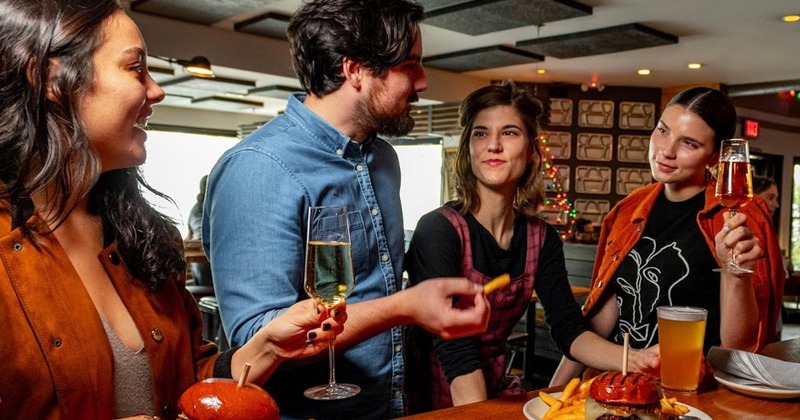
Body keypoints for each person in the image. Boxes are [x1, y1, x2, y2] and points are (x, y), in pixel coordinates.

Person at [0, 1, 346, 418]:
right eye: (135, 68)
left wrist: (266, 347)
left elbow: (187, 385)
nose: (156, 90)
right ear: (50, 79)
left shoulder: (142, 235)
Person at [202, 0, 490, 418]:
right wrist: (406, 306)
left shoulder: (384, 160)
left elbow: (377, 287)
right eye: (410, 65)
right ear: (353, 70)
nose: (424, 81)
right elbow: (257, 340)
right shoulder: (259, 167)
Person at [551, 87, 785, 385]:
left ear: (715, 156)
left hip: (685, 391)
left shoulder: (739, 215)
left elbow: (740, 348)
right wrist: (556, 391)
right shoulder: (629, 209)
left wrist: (735, 272)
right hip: (612, 382)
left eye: (689, 143)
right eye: (663, 130)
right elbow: (602, 316)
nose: (666, 150)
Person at [404, 82, 592, 409]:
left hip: (496, 395)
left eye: (509, 133)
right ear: (468, 150)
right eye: (480, 134)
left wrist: (635, 359)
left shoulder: (541, 237)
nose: (493, 145)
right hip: (434, 403)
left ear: (532, 151)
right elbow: (456, 351)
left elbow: (569, 330)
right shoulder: (437, 230)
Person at [186, 175, 212, 287]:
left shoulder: (196, 209)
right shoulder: (202, 209)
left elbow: (191, 236)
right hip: (207, 266)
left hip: (203, 265)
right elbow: (202, 236)